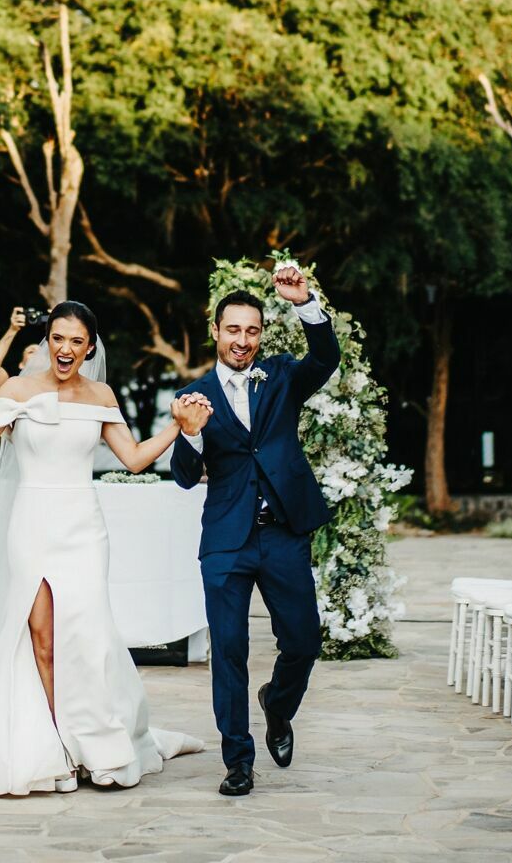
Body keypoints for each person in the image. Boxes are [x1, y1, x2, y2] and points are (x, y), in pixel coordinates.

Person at [0, 300, 206, 794]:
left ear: (90, 347)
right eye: (58, 338)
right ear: (48, 342)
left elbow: (132, 459)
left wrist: (178, 427)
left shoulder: (101, 394)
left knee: (88, 636)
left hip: (84, 529)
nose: (65, 349)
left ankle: (96, 740)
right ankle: (55, 746)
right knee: (41, 639)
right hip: (31, 524)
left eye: (76, 341)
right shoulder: (19, 390)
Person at [170, 260, 341, 797]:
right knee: (228, 650)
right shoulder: (194, 395)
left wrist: (303, 301)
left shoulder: (283, 377)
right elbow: (179, 475)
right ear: (215, 332)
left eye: (251, 330)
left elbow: (326, 357)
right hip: (226, 540)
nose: (242, 340)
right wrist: (192, 435)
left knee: (303, 642)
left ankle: (278, 704)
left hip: (282, 531)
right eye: (232, 329)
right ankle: (237, 761)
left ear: (261, 334)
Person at [0, 307, 45, 390]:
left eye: (42, 353)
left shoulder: (57, 386)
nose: (37, 355)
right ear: (21, 365)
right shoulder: (11, 386)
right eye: (31, 352)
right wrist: (13, 329)